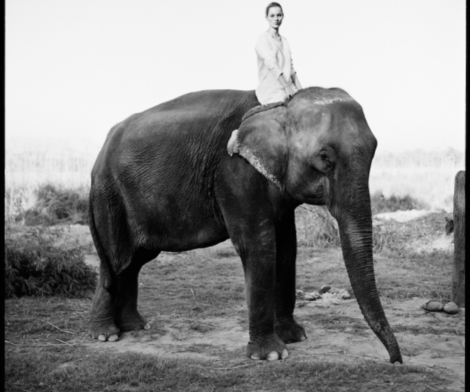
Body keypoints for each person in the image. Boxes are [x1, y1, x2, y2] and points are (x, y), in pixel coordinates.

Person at [255, 2, 302, 105]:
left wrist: (301, 91)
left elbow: (291, 69)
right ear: (266, 17)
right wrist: (286, 87)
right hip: (272, 91)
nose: (276, 19)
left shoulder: (284, 41)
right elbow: (272, 65)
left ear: (282, 16)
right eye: (272, 15)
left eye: (278, 15)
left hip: (289, 88)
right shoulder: (263, 39)